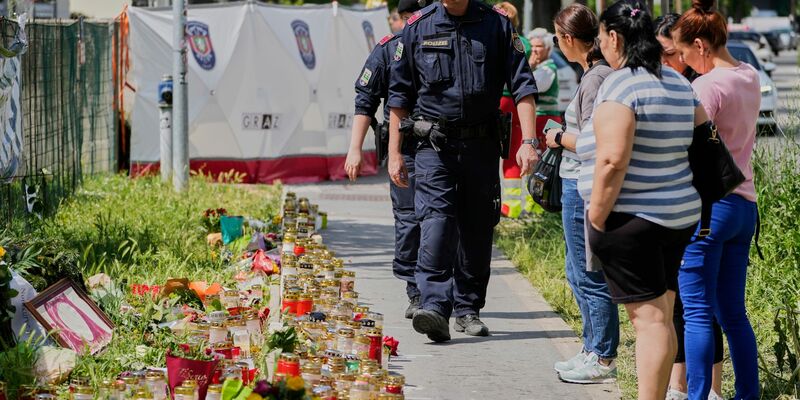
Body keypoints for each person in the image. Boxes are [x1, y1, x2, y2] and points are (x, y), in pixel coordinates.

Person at [388, 0, 538, 342]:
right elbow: (399, 96)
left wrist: (529, 141)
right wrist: (395, 153)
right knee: (436, 222)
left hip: (481, 146)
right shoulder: (418, 26)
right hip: (433, 146)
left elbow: (523, 86)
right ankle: (434, 306)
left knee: (477, 226)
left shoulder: (496, 25)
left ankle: (468, 308)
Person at [579, 0, 706, 397]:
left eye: (602, 38)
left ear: (615, 38)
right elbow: (705, 141)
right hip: (678, 216)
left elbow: (612, 159)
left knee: (649, 321)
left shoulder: (622, 85)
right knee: (662, 315)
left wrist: (597, 216)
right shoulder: (678, 83)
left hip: (633, 219)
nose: (601, 45)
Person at [672, 0, 761, 398]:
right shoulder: (749, 76)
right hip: (745, 206)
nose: (684, 61)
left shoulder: (705, 87)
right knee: (734, 314)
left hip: (710, 209)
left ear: (701, 45)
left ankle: (696, 396)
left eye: (685, 52)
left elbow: (687, 148)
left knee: (697, 312)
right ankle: (748, 394)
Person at [544, 3, 619, 385]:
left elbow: (595, 140)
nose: (557, 43)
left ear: (569, 38)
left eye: (557, 37)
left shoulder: (595, 78)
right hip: (577, 182)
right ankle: (592, 347)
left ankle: (603, 356)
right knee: (576, 271)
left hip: (582, 184)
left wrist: (558, 137)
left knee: (589, 274)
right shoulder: (591, 74)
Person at [344, 0, 430, 319]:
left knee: (440, 220)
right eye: (406, 18)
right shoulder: (388, 50)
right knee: (409, 219)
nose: (411, 23)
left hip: (443, 146)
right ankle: (415, 290)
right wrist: (355, 149)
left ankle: (440, 289)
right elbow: (365, 100)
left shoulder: (443, 45)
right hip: (404, 149)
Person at [654, 13, 725, 400]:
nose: (667, 61)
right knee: (679, 302)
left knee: (701, 302)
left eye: (671, 53)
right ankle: (679, 384)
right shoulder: (671, 86)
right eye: (661, 54)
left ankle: (711, 387)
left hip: (703, 207)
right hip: (677, 204)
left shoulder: (700, 89)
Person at [496, 1, 533, 219]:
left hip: (500, 100)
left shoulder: (490, 35)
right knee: (512, 153)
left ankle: (509, 207)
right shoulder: (523, 43)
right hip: (514, 102)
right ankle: (513, 207)